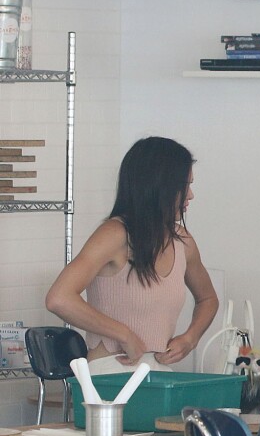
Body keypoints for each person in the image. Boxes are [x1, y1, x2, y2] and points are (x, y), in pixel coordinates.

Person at [45, 136, 219, 375]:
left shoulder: (183, 241)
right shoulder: (113, 235)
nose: (190, 195)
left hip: (158, 373)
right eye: (184, 186)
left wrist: (190, 338)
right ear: (159, 186)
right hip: (109, 375)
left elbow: (208, 299)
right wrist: (122, 334)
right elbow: (59, 298)